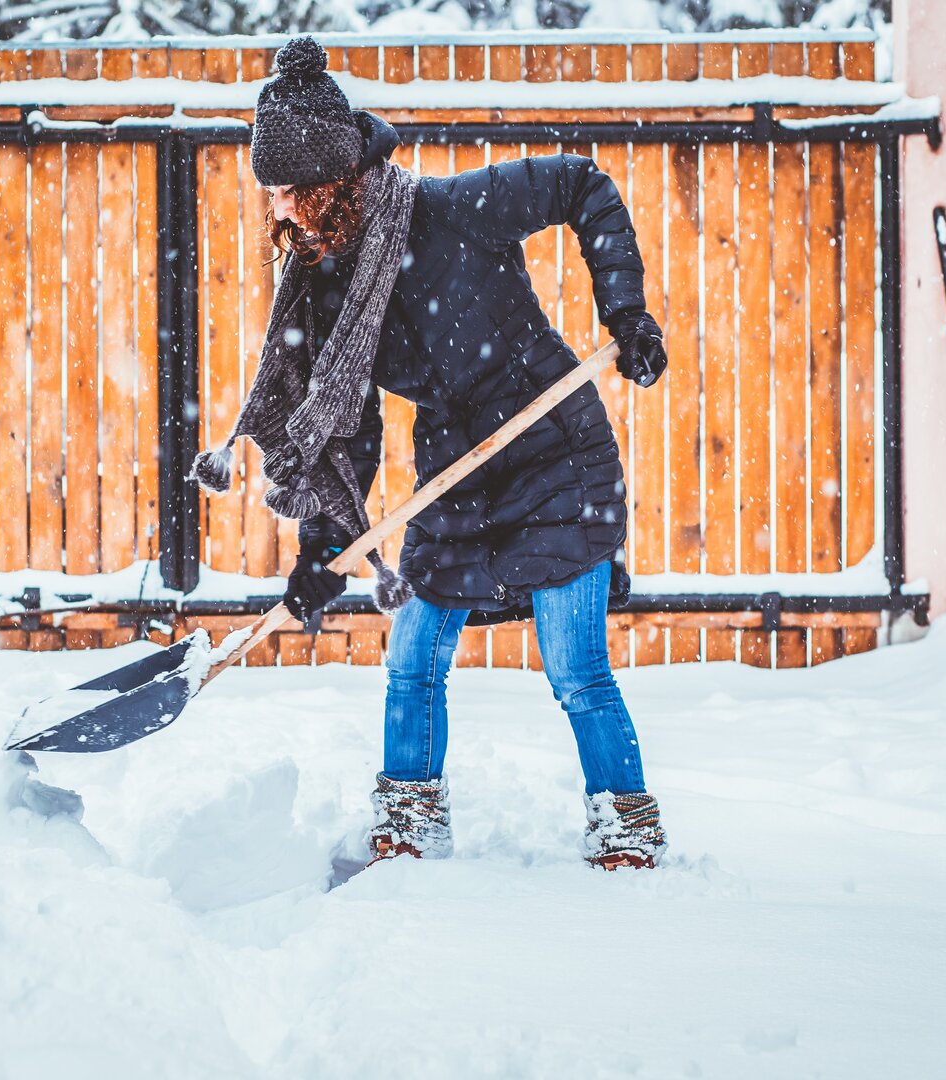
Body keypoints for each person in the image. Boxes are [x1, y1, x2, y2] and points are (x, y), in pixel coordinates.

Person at [192, 36, 670, 871]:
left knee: (574, 668)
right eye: (278, 192)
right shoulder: (329, 284)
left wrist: (625, 314)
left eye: (300, 190)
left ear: (339, 180)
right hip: (455, 470)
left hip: (554, 452)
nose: (287, 209)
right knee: (411, 658)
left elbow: (580, 183)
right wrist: (323, 548)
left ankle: (626, 832)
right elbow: (347, 427)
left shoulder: (449, 210)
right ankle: (408, 823)